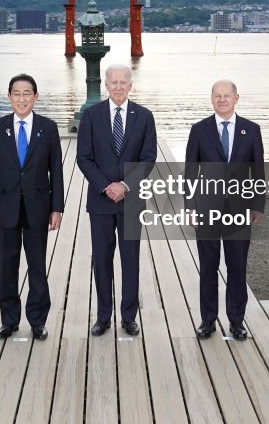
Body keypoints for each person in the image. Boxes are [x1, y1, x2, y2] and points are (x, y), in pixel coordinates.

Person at [77, 63, 157, 337]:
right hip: (100, 201)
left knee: (130, 259)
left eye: (124, 82)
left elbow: (148, 159)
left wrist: (124, 185)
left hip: (132, 200)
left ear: (130, 85)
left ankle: (128, 316)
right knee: (101, 259)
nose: (119, 87)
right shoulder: (91, 115)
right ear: (106, 85)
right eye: (114, 82)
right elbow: (83, 158)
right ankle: (103, 316)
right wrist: (106, 186)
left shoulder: (144, 116)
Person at [0, 74, 64, 341]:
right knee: (7, 265)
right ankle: (9, 320)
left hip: (38, 207)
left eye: (27, 93)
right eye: (16, 93)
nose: (21, 98)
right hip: (5, 207)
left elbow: (57, 171)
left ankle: (38, 320)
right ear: (9, 97)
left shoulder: (48, 128)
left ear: (36, 97)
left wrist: (57, 208)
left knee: (37, 265)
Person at [185, 80, 264, 341]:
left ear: (236, 98)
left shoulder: (251, 130)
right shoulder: (199, 130)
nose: (222, 100)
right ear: (212, 99)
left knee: (237, 267)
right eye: (217, 96)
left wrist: (258, 205)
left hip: (239, 211)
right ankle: (208, 320)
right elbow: (189, 172)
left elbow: (259, 172)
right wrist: (190, 207)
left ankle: (236, 321)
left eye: (226, 96)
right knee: (208, 267)